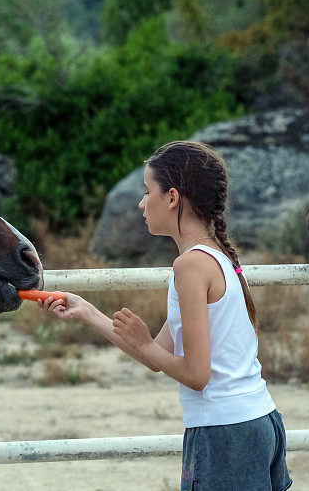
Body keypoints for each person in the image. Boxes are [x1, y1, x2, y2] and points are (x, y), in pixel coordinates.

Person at [38, 141, 291, 490]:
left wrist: (144, 342)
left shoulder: (189, 265)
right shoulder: (214, 256)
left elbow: (196, 375)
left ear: (172, 198)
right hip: (259, 424)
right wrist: (87, 311)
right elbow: (158, 355)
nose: (142, 203)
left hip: (225, 435)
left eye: (147, 191)